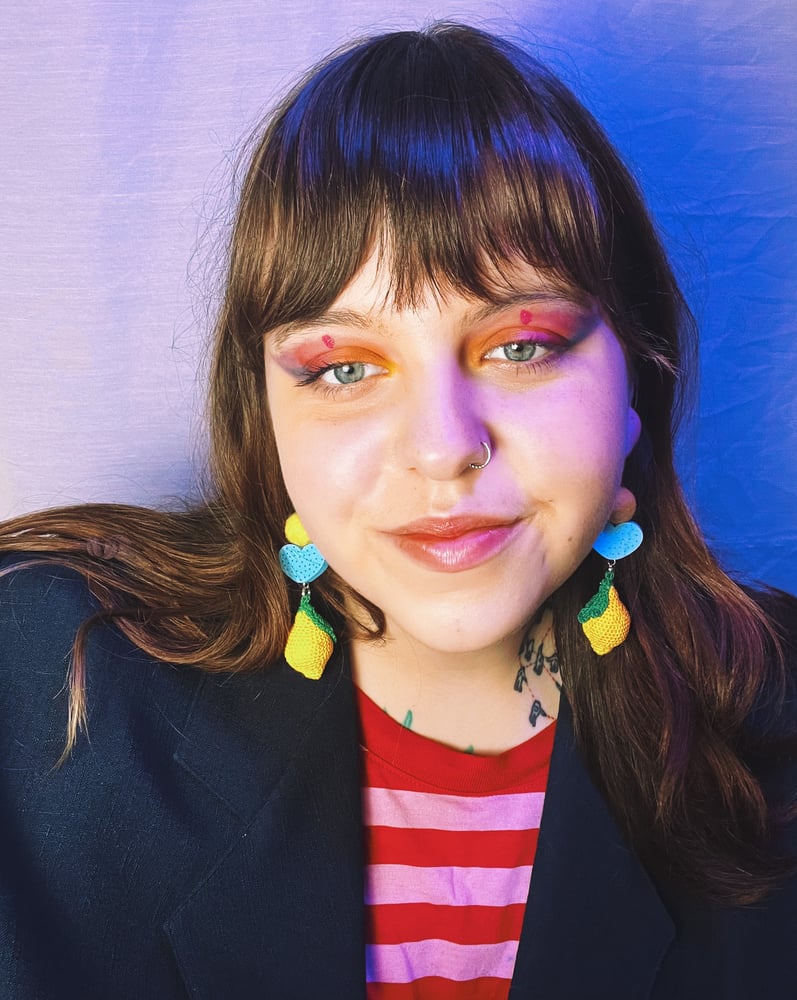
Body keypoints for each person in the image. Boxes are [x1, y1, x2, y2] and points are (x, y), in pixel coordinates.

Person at [1, 22, 795, 1000]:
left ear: (635, 375)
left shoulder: (777, 730)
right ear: (267, 426)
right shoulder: (44, 686)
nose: (441, 446)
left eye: (519, 345)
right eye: (343, 368)